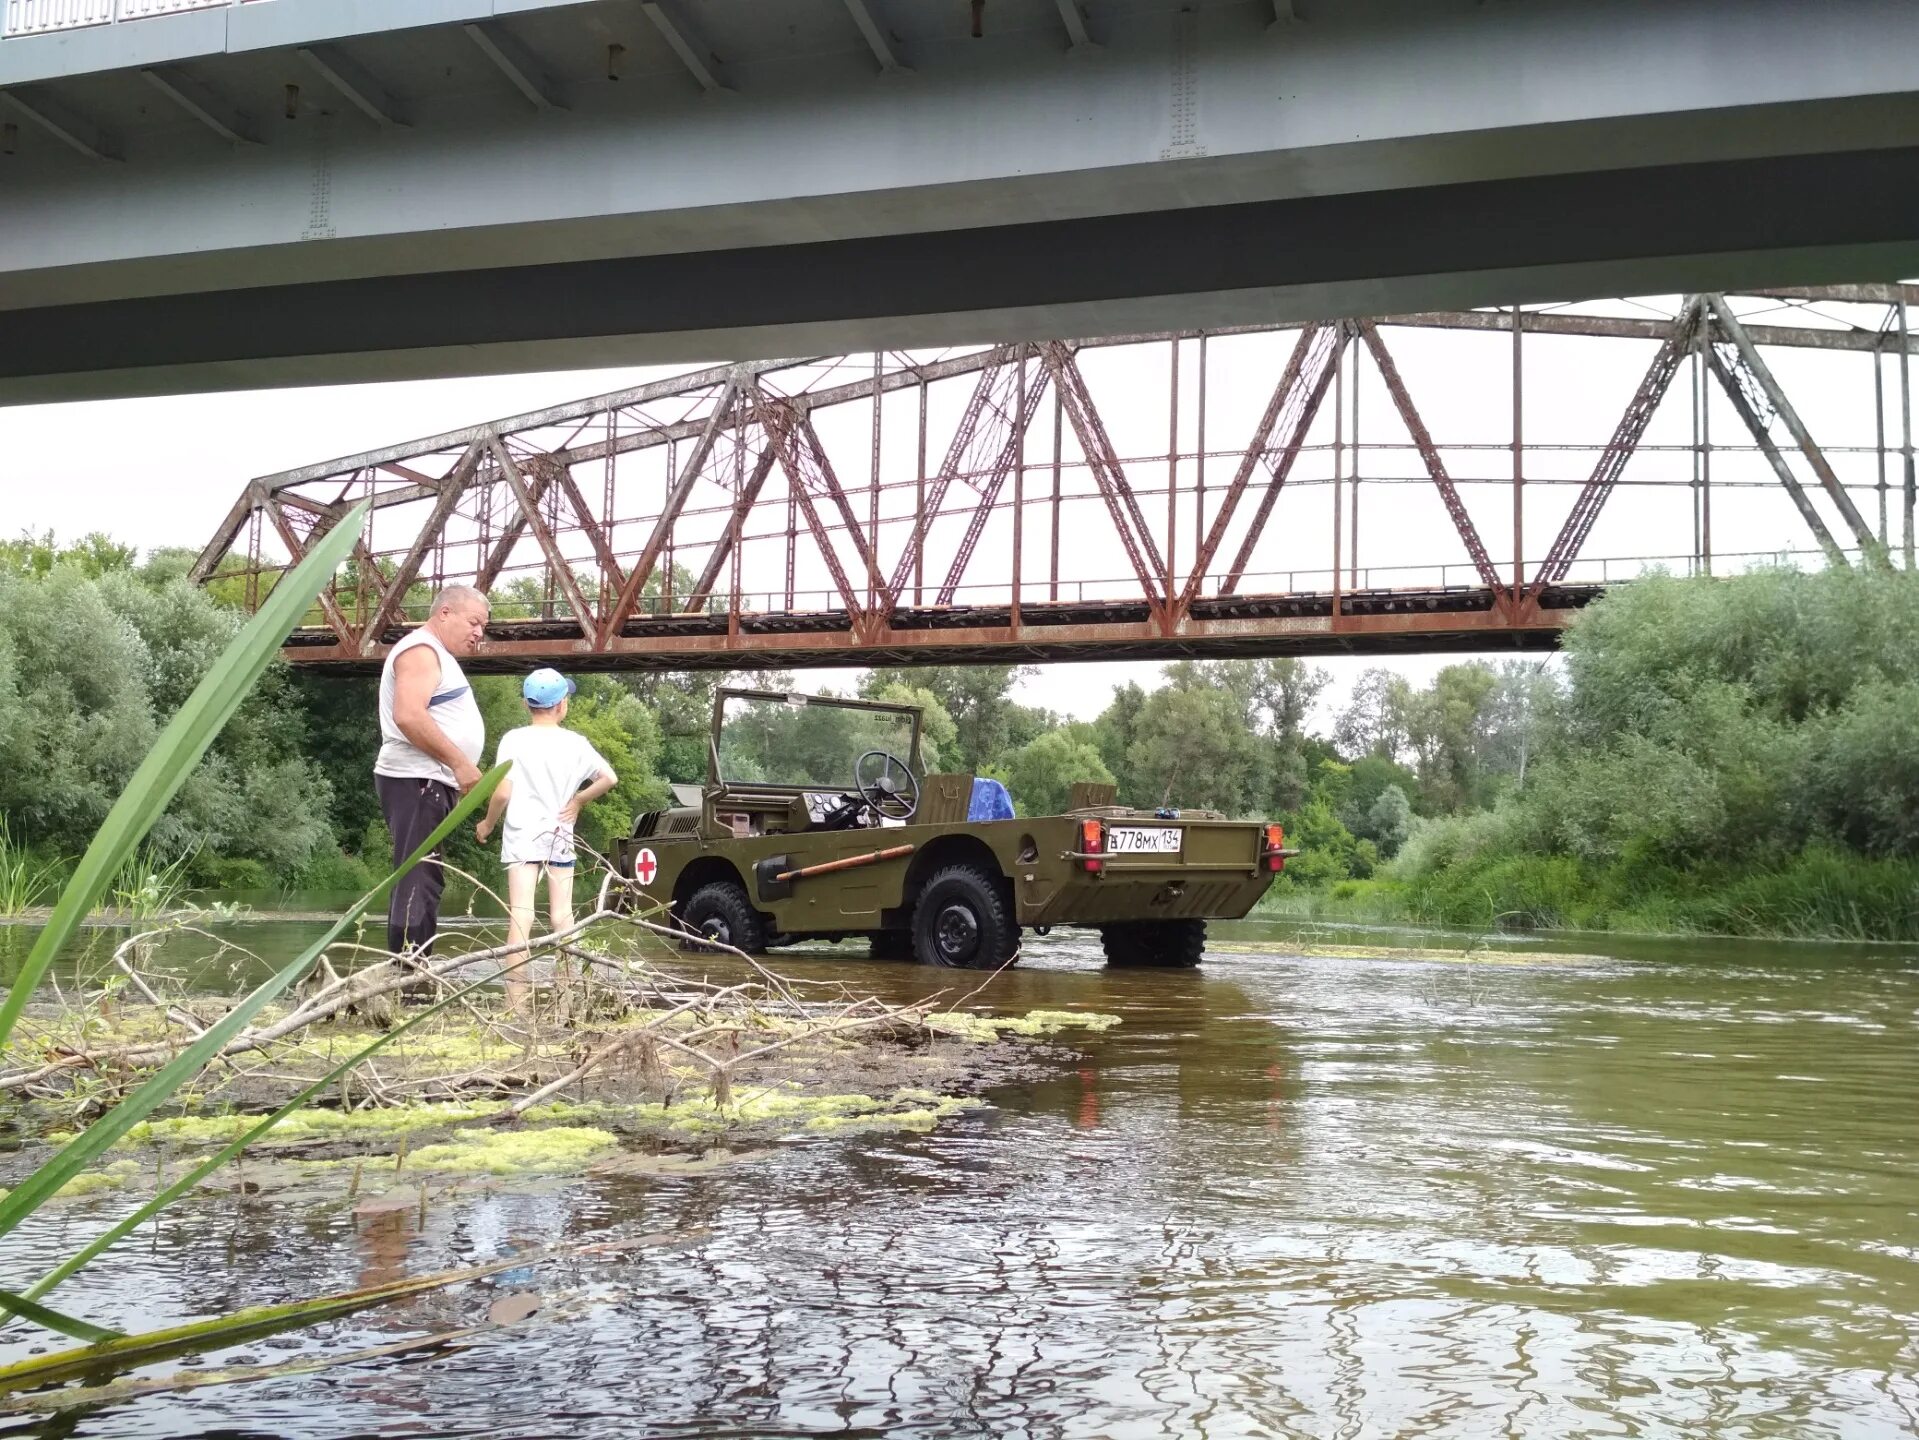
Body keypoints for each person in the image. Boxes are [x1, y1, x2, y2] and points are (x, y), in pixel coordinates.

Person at [475, 668, 618, 1014]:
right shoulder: (575, 743)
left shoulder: (513, 739)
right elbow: (609, 777)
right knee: (562, 916)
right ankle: (568, 999)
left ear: (527, 704)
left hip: (522, 835)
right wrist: (579, 801)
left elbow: (503, 792)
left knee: (521, 916)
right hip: (559, 836)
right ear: (561, 705)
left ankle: (515, 1004)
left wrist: (487, 824)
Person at [373, 584, 490, 957]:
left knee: (424, 874)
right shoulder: (421, 651)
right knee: (418, 876)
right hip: (418, 779)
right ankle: (410, 971)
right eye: (474, 622)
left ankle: (413, 963)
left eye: (483, 627)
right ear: (444, 613)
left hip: (429, 780)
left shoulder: (434, 653)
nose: (479, 633)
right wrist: (459, 762)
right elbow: (408, 715)